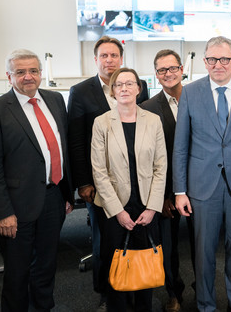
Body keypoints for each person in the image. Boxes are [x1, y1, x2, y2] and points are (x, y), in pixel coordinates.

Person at [173, 36, 231, 312]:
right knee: (203, 255)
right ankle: (206, 305)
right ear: (204, 62)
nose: (218, 64)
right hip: (202, 187)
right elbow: (181, 146)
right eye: (212, 59)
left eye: (224, 59)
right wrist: (180, 191)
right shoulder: (190, 92)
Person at [0, 49, 74, 311]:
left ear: (40, 73)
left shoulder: (56, 100)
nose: (28, 77)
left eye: (33, 71)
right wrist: (4, 213)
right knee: (17, 273)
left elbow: (61, 148)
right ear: (9, 76)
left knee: (47, 266)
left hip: (53, 197)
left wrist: (66, 195)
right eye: (20, 72)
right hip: (17, 206)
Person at [67, 36, 149, 310]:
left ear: (121, 59)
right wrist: (83, 182)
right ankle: (107, 292)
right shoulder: (81, 91)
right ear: (96, 59)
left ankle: (135, 289)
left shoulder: (139, 85)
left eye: (114, 55)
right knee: (106, 242)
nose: (109, 60)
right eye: (104, 56)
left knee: (137, 239)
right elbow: (76, 141)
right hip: (101, 184)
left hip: (137, 182)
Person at [90, 67, 166, 312]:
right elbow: (99, 171)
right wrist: (118, 211)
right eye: (118, 84)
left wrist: (153, 207)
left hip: (146, 206)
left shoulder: (152, 121)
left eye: (129, 83)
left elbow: (161, 167)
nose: (124, 88)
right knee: (117, 265)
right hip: (115, 207)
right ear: (112, 90)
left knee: (146, 265)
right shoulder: (101, 123)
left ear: (138, 89)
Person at [140, 49, 195, 312]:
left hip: (199, 187)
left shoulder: (198, 99)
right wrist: (159, 197)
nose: (168, 74)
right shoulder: (147, 108)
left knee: (202, 243)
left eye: (172, 68)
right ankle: (174, 293)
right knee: (169, 247)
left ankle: (204, 288)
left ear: (182, 69)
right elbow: (148, 159)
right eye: (162, 70)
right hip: (166, 191)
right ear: (156, 74)